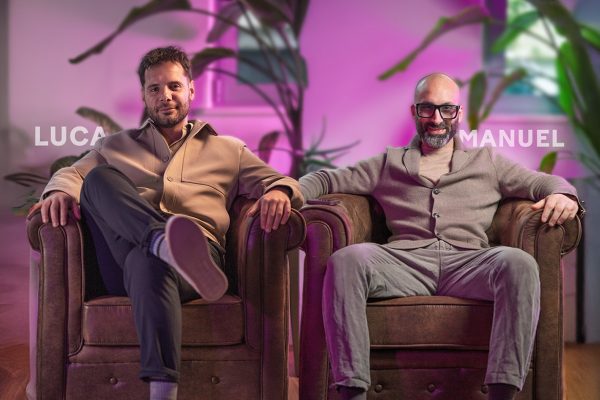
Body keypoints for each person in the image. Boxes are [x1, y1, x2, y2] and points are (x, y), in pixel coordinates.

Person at [28, 46, 303, 400]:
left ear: (191, 90)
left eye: (174, 86)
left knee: (148, 261)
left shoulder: (229, 150)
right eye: (154, 88)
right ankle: (163, 242)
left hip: (199, 259)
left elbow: (283, 181)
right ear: (144, 96)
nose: (165, 96)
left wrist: (279, 191)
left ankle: (162, 392)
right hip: (121, 259)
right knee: (97, 179)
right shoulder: (115, 145)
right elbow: (70, 175)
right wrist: (57, 193)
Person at [299, 73, 582, 400]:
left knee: (519, 263)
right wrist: (286, 191)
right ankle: (353, 393)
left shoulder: (487, 161)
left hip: (470, 263)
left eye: (447, 109)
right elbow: (324, 179)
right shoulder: (388, 163)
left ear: (459, 113)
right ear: (414, 112)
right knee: (347, 260)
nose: (436, 119)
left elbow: (544, 182)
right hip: (405, 264)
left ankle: (502, 393)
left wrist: (565, 196)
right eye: (427, 109)